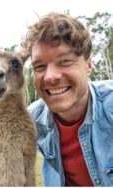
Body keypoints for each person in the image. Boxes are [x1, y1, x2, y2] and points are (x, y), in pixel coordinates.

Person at [22, 12, 113, 186]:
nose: (50, 77)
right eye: (40, 67)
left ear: (88, 65)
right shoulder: (30, 120)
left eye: (64, 61)